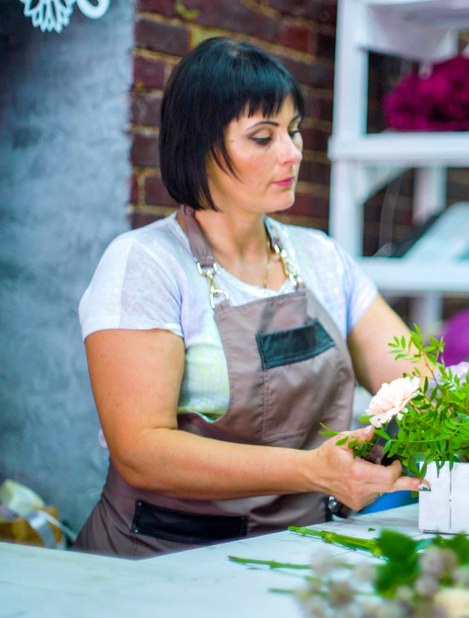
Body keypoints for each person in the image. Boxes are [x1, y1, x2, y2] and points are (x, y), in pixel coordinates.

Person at [74, 38, 425, 558]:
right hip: (163, 558)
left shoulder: (321, 259)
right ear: (199, 147)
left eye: (294, 131)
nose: (292, 153)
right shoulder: (145, 265)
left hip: (302, 549)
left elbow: (412, 378)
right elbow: (141, 452)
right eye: (262, 137)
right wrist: (312, 471)